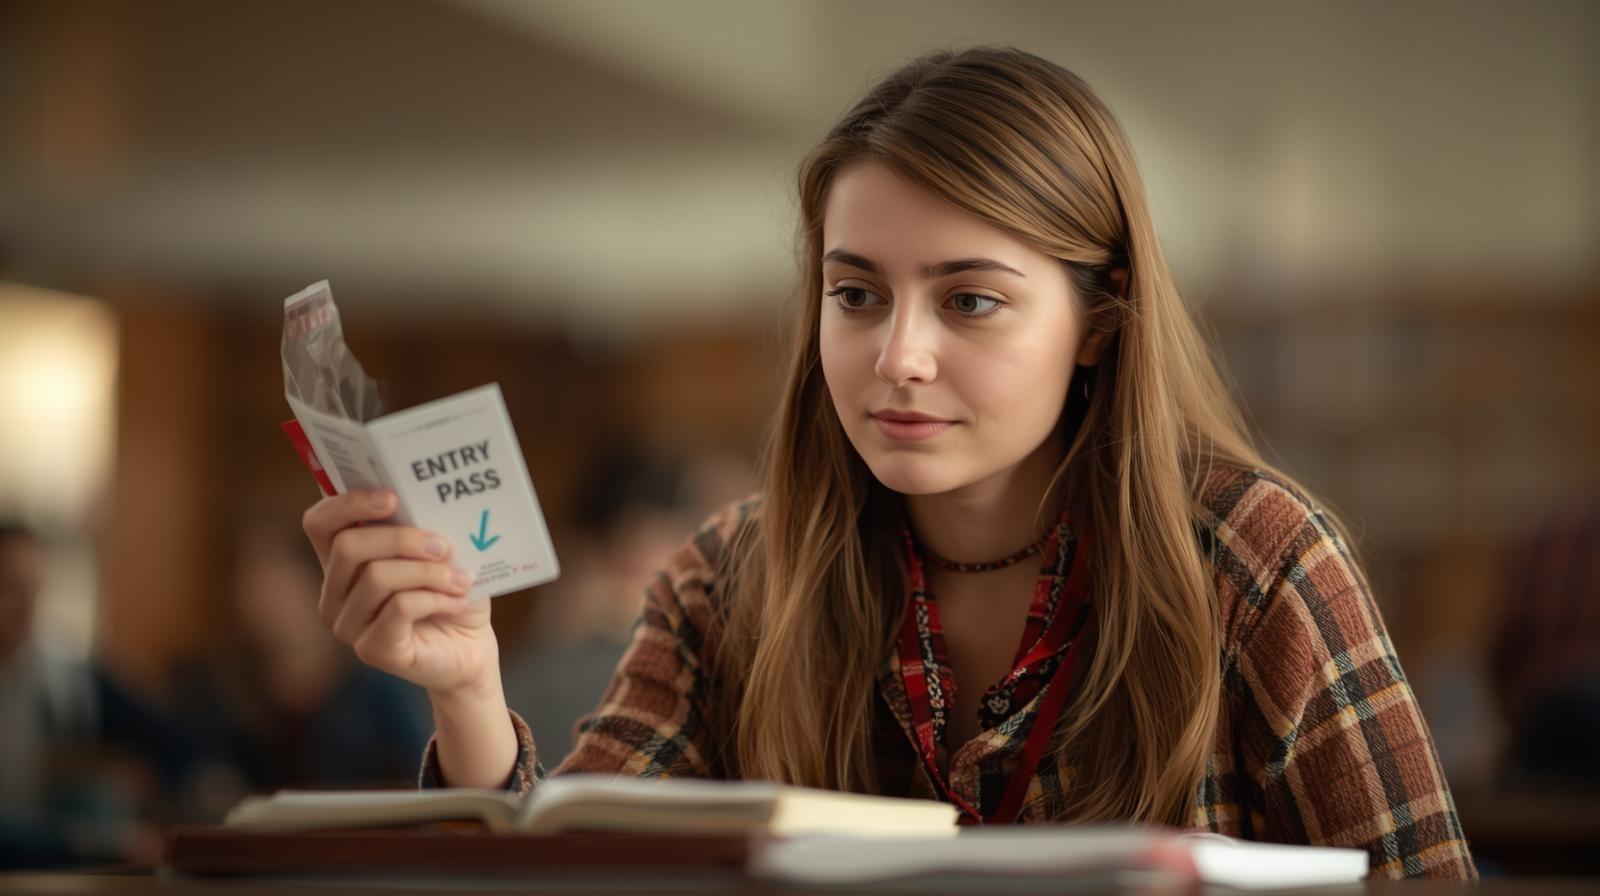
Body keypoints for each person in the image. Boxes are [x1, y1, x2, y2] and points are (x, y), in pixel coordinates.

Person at [299, 47, 1476, 879]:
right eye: (855, 293)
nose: (895, 357)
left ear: (1099, 326)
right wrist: (462, 687)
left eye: (969, 300)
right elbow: (578, 874)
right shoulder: (727, 578)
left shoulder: (1254, 557)